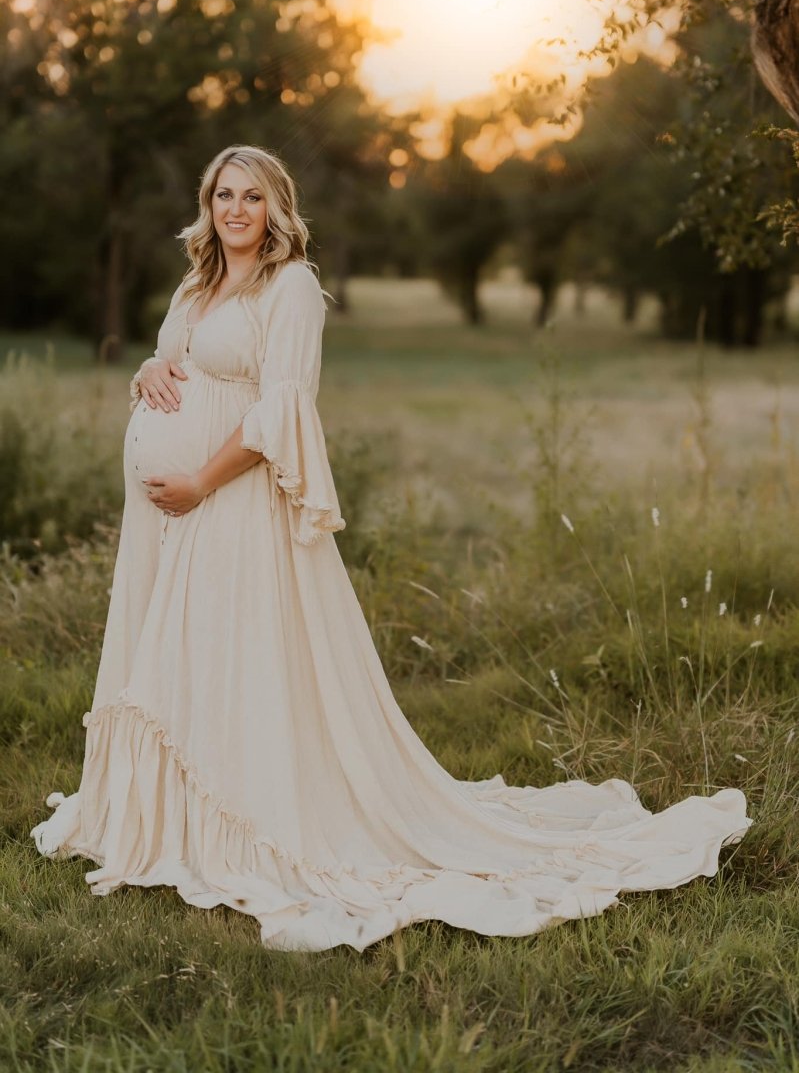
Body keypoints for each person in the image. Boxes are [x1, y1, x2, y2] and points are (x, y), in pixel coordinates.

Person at [30, 144, 753, 953]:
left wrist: (200, 480)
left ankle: (243, 816)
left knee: (234, 655)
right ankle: (168, 818)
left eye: (253, 197)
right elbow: (176, 362)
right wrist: (147, 376)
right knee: (180, 652)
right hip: (167, 519)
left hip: (228, 503)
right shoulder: (196, 284)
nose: (236, 209)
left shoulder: (291, 286)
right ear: (207, 205)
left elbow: (282, 412)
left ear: (277, 209)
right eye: (223, 195)